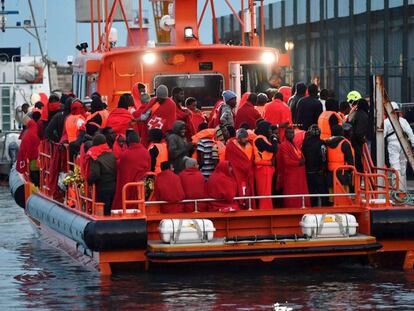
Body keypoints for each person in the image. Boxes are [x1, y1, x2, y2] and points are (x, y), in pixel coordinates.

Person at [112, 131, 151, 210]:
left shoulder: (125, 154)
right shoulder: (146, 152)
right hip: (141, 187)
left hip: (128, 187)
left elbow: (119, 167)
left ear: (128, 141)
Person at [384, 102, 414, 192]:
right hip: (404, 145)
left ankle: (397, 190)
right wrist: (413, 145)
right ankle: (403, 190)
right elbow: (411, 134)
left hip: (393, 145)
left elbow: (382, 136)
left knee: (395, 166)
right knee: (402, 167)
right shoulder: (403, 121)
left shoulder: (386, 122)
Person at [278, 128, 310, 208]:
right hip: (291, 174)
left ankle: (302, 205)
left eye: (292, 133)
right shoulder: (283, 145)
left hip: (298, 173)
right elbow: (286, 161)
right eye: (289, 133)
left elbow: (300, 155)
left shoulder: (294, 144)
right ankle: (292, 207)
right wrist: (299, 163)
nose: (291, 134)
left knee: (300, 191)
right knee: (292, 192)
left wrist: (303, 160)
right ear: (285, 134)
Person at [225, 128, 255, 209]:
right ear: (238, 138)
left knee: (249, 191)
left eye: (246, 137)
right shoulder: (231, 146)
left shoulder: (250, 146)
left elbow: (251, 160)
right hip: (236, 173)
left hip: (248, 173)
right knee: (238, 191)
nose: (246, 139)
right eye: (244, 138)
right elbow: (228, 160)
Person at [87, 134, 117, 216]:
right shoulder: (112, 154)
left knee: (103, 212)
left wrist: (88, 181)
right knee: (110, 210)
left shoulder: (95, 156)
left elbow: (95, 174)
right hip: (114, 186)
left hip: (102, 187)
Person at [301, 125, 329, 207]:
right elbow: (323, 156)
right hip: (319, 171)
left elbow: (303, 155)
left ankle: (313, 207)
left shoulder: (305, 142)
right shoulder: (321, 143)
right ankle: (325, 207)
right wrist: (323, 168)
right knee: (323, 192)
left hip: (308, 171)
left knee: (311, 192)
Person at [253, 121, 278, 209]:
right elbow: (273, 149)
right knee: (264, 192)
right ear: (264, 129)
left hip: (266, 168)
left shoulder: (263, 138)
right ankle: (265, 211)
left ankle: (267, 209)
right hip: (262, 169)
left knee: (266, 192)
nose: (270, 131)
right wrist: (275, 139)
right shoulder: (259, 139)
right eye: (269, 129)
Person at [16, 119, 40, 186]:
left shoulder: (27, 134)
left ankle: (36, 184)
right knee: (35, 171)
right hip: (35, 156)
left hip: (30, 156)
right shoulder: (34, 134)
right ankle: (37, 184)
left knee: (33, 170)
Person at [348, 98, 369, 172]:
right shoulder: (364, 116)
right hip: (357, 144)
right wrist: (363, 141)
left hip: (350, 141)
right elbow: (359, 132)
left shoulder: (354, 113)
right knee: (359, 164)